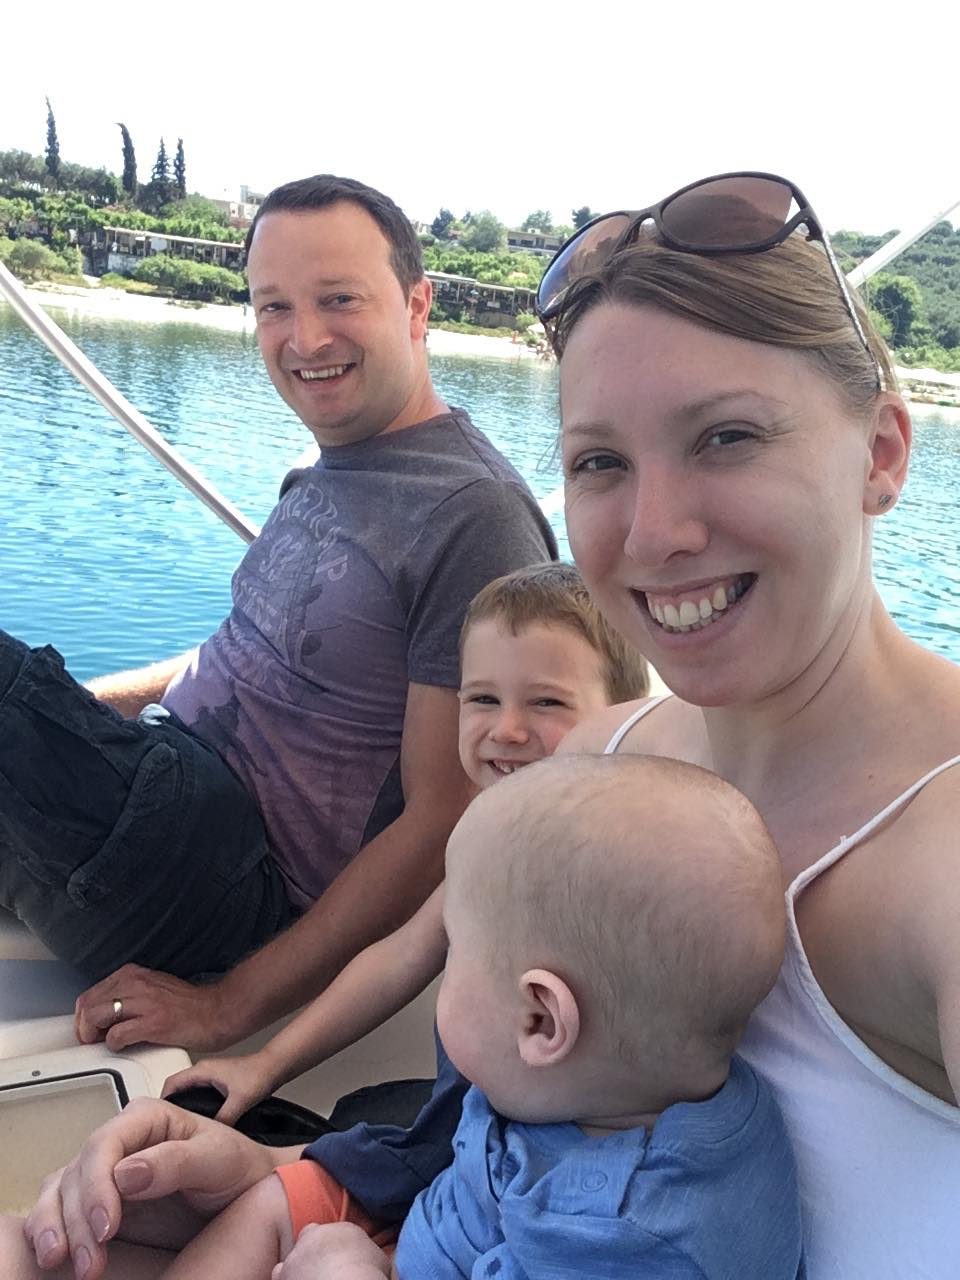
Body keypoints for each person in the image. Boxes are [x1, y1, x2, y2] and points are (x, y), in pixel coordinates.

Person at [0, 174, 556, 1053]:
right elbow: (250, 656)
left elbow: (444, 817)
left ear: (418, 306)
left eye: (339, 300)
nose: (304, 339)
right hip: (153, 784)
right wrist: (69, 711)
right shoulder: (333, 466)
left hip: (224, 881)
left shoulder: (473, 515)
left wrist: (231, 1007)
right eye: (273, 307)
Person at [538, 173, 960, 1276]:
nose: (655, 530)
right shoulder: (592, 768)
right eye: (601, 463)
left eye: (725, 437)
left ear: (880, 452)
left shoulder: (942, 857)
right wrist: (300, 1188)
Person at [9, 755, 800, 1280]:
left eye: (455, 951)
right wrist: (270, 1169)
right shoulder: (604, 1084)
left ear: (540, 1020)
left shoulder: (627, 1240)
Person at [159, 561, 650, 1126]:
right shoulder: (487, 839)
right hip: (470, 1109)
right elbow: (400, 958)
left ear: (623, 715)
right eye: (483, 700)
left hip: (535, 1137)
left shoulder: (617, 864)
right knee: (332, 1118)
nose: (507, 730)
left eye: (546, 703)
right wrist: (264, 1064)